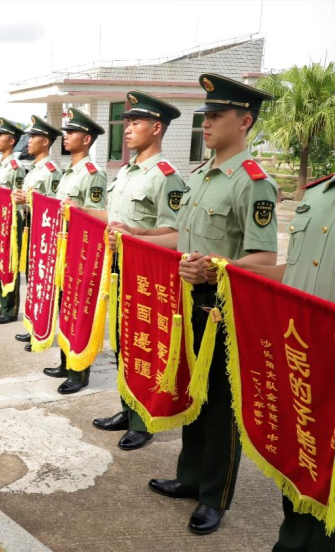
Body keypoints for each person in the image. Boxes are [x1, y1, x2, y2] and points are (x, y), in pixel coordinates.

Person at [120, 75, 276, 535]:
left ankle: (214, 496)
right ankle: (189, 478)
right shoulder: (201, 176)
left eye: (216, 116)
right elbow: (183, 236)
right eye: (204, 116)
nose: (205, 124)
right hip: (185, 299)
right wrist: (145, 236)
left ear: (244, 120)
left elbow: (265, 257)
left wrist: (217, 269)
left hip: (222, 306)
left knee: (222, 407)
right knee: (193, 391)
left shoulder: (253, 183)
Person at [231, 170, 335, 551]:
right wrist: (237, 274)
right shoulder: (319, 194)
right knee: (301, 461)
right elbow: (294, 273)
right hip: (306, 363)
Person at [86, 91, 185, 451]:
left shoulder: (165, 177)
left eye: (136, 122)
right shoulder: (126, 172)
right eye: (126, 122)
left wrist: (136, 236)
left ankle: (144, 420)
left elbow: (174, 234)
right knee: (123, 344)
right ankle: (127, 408)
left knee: (147, 347)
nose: (127, 129)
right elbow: (115, 219)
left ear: (157, 128)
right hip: (118, 269)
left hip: (147, 276)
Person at [42, 108, 107, 394]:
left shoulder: (93, 174)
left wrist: (78, 210)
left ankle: (80, 371)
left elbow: (99, 215)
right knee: (63, 307)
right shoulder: (69, 172)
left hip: (81, 252)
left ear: (87, 138)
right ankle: (66, 362)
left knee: (80, 310)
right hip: (62, 250)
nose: (65, 136)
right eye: (65, 132)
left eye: (71, 132)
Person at [13, 115, 63, 349]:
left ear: (45, 141)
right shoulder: (32, 169)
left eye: (33, 136)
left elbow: (54, 207)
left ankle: (43, 329)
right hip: (29, 228)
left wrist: (29, 199)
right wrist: (20, 199)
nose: (29, 141)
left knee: (44, 283)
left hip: (45, 233)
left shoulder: (51, 171)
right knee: (32, 280)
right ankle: (34, 325)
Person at [0, 117, 26, 324]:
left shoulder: (15, 166)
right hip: (0, 220)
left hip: (12, 220)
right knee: (2, 262)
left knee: (11, 263)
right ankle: (3, 303)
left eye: (1, 136)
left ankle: (10, 310)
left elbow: (17, 196)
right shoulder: (1, 164)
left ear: (12, 141)